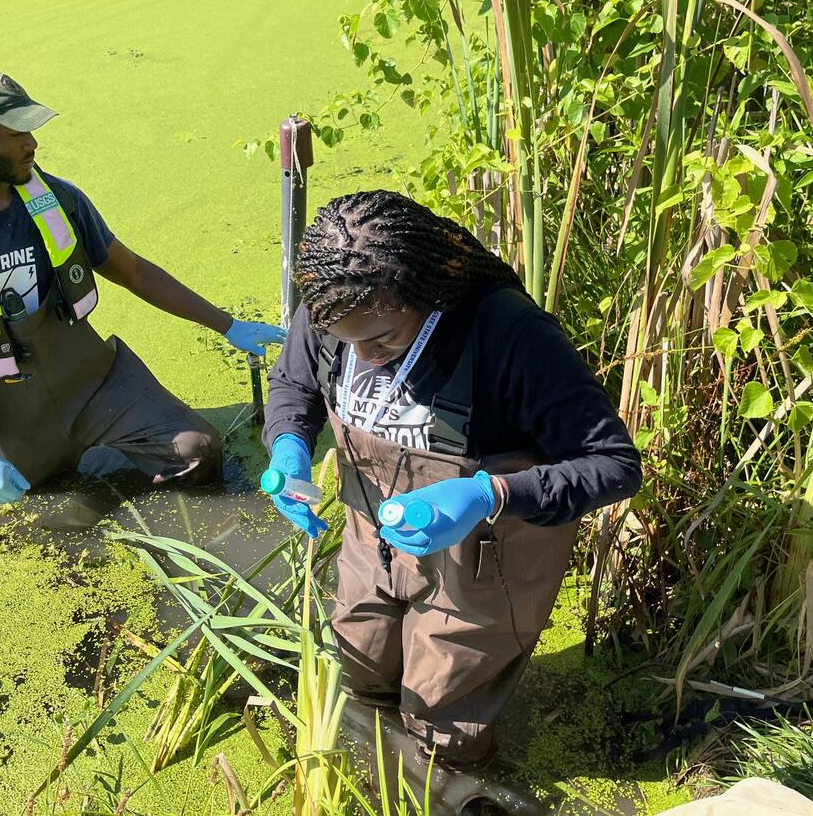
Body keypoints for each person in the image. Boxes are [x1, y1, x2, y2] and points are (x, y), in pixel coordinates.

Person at [262, 190, 641, 778]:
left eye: (383, 339)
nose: (361, 354)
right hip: (371, 534)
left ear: (426, 296)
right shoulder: (333, 306)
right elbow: (295, 385)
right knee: (361, 665)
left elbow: (614, 465)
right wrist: (287, 446)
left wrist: (489, 494)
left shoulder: (510, 336)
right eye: (344, 337)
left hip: (482, 562)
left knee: (446, 720)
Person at [0, 65, 284, 503]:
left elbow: (133, 271)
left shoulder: (58, 199)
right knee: (51, 518)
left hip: (92, 382)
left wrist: (226, 324)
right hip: (9, 410)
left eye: (31, 128)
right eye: (16, 131)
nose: (32, 142)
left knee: (199, 451)